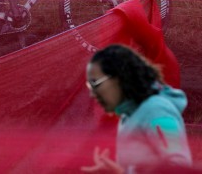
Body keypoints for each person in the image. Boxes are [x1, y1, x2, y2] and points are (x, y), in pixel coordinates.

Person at [82, 44, 192, 172]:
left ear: (119, 77)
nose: (92, 93)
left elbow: (178, 168)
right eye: (89, 86)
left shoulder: (157, 111)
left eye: (95, 83)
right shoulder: (127, 117)